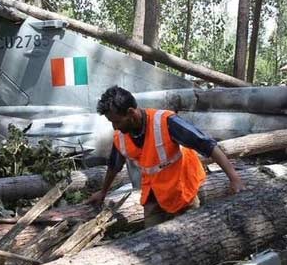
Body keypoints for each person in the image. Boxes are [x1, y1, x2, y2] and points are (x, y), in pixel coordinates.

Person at [86, 86, 244, 227]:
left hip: (182, 188)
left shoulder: (166, 122)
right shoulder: (120, 136)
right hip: (152, 190)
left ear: (131, 113)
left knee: (190, 236)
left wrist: (234, 179)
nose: (115, 127)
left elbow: (207, 145)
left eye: (117, 122)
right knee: (151, 239)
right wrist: (103, 192)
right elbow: (114, 166)